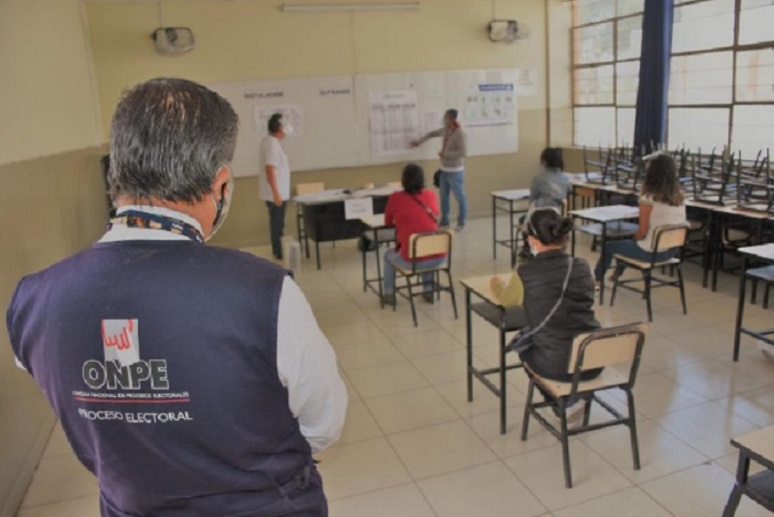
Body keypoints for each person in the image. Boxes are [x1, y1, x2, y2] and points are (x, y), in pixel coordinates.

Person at [7, 78, 347, 516]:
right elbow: (324, 425)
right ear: (221, 185)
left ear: (117, 172)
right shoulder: (265, 294)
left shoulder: (33, 302)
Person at [490, 209, 601, 386]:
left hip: (557, 365)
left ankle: (561, 402)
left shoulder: (525, 273)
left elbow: (505, 301)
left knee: (523, 348)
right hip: (593, 358)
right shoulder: (583, 266)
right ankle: (575, 399)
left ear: (532, 240)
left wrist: (496, 284)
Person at [593, 152, 687, 282]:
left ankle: (597, 279)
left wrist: (634, 238)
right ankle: (616, 275)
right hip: (671, 250)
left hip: (650, 253)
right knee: (629, 243)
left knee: (610, 246)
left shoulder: (648, 199)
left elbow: (642, 233)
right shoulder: (680, 198)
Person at [382, 163, 445, 305]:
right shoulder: (430, 195)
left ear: (403, 180)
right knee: (426, 244)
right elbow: (435, 214)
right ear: (423, 179)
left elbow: (387, 222)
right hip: (439, 257)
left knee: (387, 255)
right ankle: (428, 290)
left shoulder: (395, 198)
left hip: (411, 260)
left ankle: (389, 294)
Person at [411, 109, 467, 231]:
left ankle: (461, 222)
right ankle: (444, 221)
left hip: (455, 171)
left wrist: (445, 154)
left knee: (460, 197)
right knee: (443, 197)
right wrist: (419, 142)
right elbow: (431, 134)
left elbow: (463, 152)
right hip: (444, 169)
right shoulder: (446, 131)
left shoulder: (459, 134)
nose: (444, 120)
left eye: (447, 118)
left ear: (452, 119)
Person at [519, 147, 570, 259]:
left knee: (523, 220)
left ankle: (527, 248)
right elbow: (565, 194)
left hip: (539, 212)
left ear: (544, 161)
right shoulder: (565, 178)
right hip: (556, 213)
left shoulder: (539, 178)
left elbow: (533, 198)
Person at [259, 113, 291, 260]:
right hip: (276, 194)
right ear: (279, 128)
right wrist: (276, 193)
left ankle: (277, 249)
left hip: (274, 193)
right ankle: (278, 251)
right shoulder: (272, 144)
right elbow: (270, 169)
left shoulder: (268, 141)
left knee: (276, 223)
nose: (285, 131)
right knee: (277, 224)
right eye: (284, 128)